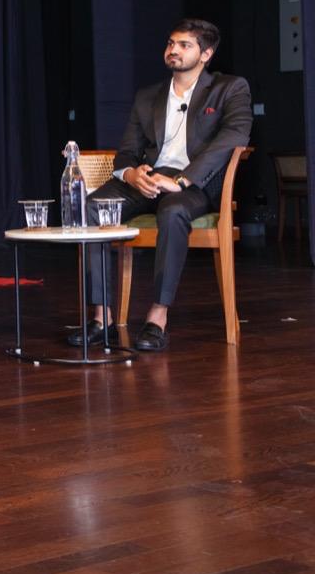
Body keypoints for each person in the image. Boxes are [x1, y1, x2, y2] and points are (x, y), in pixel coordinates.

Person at [68, 18, 252, 352]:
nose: (174, 50)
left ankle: (157, 316)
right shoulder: (148, 96)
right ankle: (101, 315)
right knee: (91, 207)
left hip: (193, 184)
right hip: (148, 178)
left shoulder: (230, 88)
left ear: (206, 54)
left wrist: (182, 179)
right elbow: (125, 152)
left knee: (173, 213)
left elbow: (233, 138)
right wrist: (131, 174)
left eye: (185, 45)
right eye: (171, 43)